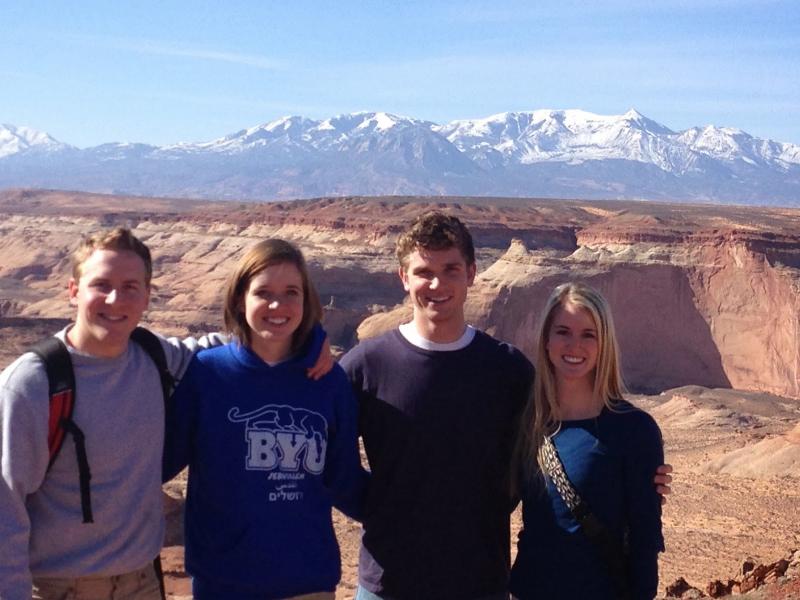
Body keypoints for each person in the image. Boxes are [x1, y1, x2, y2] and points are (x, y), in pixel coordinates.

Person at [340, 211, 671, 600]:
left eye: (450, 270)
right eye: (423, 271)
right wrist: (385, 507)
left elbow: (530, 469)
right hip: (389, 584)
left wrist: (643, 472)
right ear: (403, 277)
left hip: (480, 582)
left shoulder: (508, 370)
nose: (437, 283)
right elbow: (323, 450)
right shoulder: (365, 365)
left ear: (472, 273)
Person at [0, 228, 331, 600]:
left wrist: (313, 340)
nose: (115, 299)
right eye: (101, 285)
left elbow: (240, 344)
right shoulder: (34, 383)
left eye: (130, 287)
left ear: (147, 297)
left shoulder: (155, 358)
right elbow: (5, 510)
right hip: (61, 588)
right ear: (74, 290)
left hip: (143, 582)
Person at [162, 238, 367, 600]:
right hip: (223, 586)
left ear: (307, 301)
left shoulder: (327, 381)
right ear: (241, 299)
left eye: (292, 292)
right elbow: (158, 463)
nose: (278, 305)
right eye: (263, 293)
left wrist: (418, 509)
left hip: (308, 584)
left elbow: (344, 479)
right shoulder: (207, 375)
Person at [509, 282, 664, 600]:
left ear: (604, 343)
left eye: (588, 335)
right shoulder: (526, 426)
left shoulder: (634, 430)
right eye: (563, 331)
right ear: (547, 341)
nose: (574, 346)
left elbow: (644, 541)